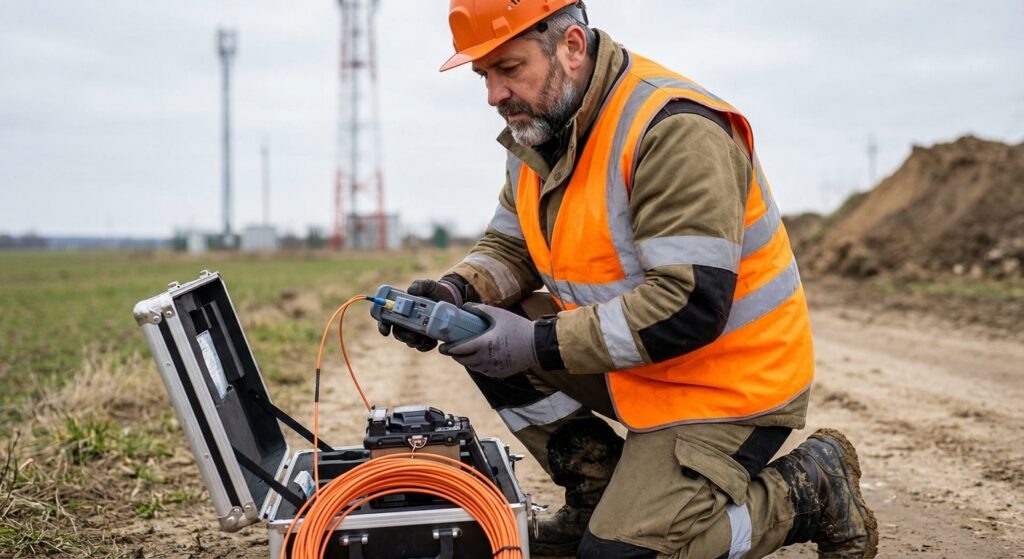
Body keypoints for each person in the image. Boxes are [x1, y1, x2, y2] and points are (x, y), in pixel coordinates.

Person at [380, 1, 878, 557]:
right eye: (484, 76)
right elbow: (510, 246)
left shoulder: (673, 130)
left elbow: (688, 304)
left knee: (618, 556)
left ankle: (807, 491)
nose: (494, 95)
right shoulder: (540, 128)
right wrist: (456, 292)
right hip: (638, 364)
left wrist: (536, 344)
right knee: (476, 330)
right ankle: (597, 492)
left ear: (571, 46)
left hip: (726, 385)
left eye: (510, 68)